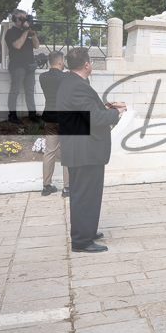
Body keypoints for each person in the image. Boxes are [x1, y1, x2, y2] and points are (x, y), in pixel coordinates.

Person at [57, 48, 125, 253]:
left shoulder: (71, 81)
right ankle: (81, 241)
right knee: (85, 195)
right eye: (91, 62)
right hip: (84, 149)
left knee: (87, 194)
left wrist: (105, 107)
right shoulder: (78, 85)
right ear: (86, 64)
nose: (92, 64)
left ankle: (87, 231)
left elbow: (84, 112)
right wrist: (117, 113)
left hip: (81, 147)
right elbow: (93, 119)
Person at [39, 51, 69, 197]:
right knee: (67, 152)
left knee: (49, 152)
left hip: (50, 118)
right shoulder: (66, 77)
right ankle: (67, 188)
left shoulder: (42, 77)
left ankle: (46, 186)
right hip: (65, 118)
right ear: (60, 61)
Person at [5, 9, 40, 124]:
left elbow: (36, 46)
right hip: (17, 65)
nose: (24, 21)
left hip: (30, 65)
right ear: (15, 19)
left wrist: (32, 33)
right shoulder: (10, 32)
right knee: (15, 91)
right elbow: (17, 46)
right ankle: (12, 116)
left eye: (25, 18)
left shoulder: (28, 32)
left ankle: (32, 115)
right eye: (21, 19)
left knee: (30, 91)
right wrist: (25, 31)